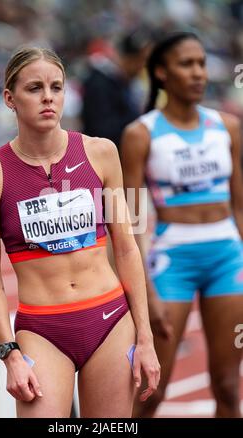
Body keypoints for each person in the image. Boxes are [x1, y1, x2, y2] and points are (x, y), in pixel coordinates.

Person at [0, 46, 160, 418]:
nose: (48, 97)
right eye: (34, 88)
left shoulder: (102, 152)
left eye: (56, 87)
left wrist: (146, 336)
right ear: (10, 98)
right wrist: (9, 353)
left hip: (109, 322)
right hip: (41, 330)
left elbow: (126, 249)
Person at [121, 32, 243, 418]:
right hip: (171, 261)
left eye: (202, 63)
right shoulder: (140, 134)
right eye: (186, 64)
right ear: (161, 72)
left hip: (227, 257)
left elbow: (240, 205)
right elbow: (128, 219)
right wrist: (145, 291)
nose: (198, 73)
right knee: (151, 391)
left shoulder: (228, 127)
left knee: (228, 386)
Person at [81, 28, 151, 150]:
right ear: (128, 58)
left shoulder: (127, 82)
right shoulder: (100, 83)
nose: (143, 66)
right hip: (100, 158)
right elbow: (101, 131)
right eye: (141, 60)